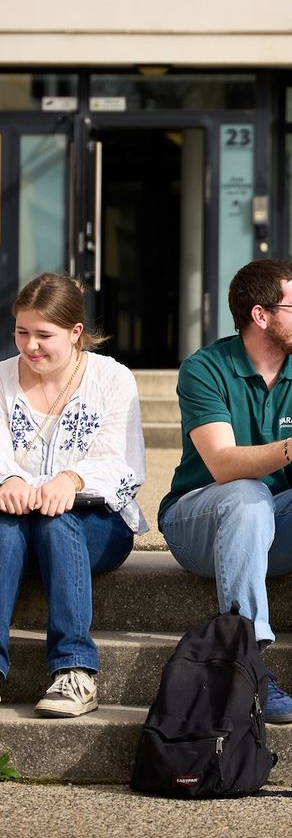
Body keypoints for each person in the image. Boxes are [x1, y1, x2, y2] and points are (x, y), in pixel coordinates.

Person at [159, 258, 292, 724]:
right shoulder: (205, 368)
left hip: (273, 523)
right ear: (261, 314)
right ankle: (248, 664)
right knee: (247, 494)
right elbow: (222, 463)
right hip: (200, 525)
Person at [0, 273, 146, 717]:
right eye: (22, 332)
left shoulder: (113, 380)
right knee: (6, 531)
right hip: (14, 526)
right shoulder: (1, 379)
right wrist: (8, 479)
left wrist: (72, 480)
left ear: (76, 332)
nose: (31, 346)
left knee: (55, 518)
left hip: (96, 526)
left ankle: (74, 671)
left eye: (44, 335)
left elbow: (125, 465)